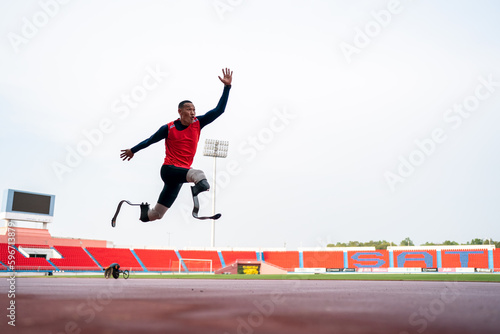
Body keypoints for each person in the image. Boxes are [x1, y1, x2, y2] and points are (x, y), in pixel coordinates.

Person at [120, 68, 233, 222]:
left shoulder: (199, 123)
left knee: (156, 215)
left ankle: (145, 212)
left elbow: (219, 110)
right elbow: (150, 140)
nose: (193, 112)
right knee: (198, 175)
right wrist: (133, 150)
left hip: (180, 176)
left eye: (194, 109)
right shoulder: (168, 128)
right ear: (180, 112)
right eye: (189, 109)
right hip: (169, 170)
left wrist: (227, 87)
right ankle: (197, 189)